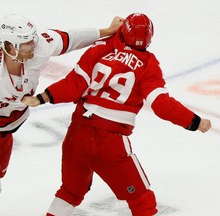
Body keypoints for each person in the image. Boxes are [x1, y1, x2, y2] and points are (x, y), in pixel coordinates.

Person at [21, 13, 212, 216]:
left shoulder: (101, 48)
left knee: (70, 192)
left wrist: (42, 98)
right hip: (110, 142)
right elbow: (160, 104)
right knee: (142, 200)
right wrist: (194, 121)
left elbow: (74, 84)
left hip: (78, 135)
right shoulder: (148, 64)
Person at [0, 14, 123, 216]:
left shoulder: (36, 48)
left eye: (32, 40)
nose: (33, 46)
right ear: (9, 47)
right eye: (26, 44)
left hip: (3, 130)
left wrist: (106, 31)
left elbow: (68, 38)